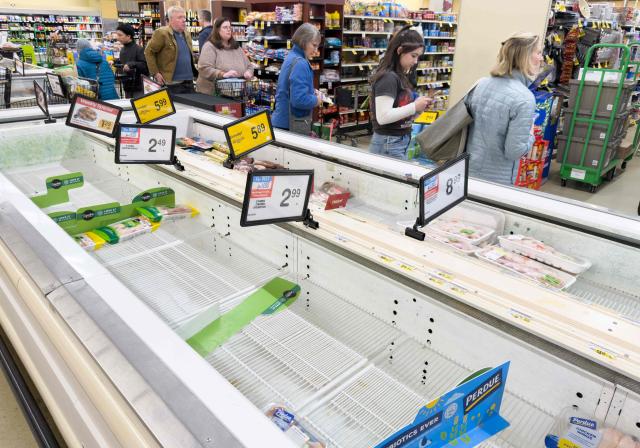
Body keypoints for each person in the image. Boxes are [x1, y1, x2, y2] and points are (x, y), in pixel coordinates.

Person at [466, 33, 543, 185]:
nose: (541, 58)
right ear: (525, 57)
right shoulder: (524, 98)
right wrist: (531, 135)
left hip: (468, 168)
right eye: (539, 53)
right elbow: (514, 151)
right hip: (496, 179)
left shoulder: (480, 84)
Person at [368, 27, 431, 159]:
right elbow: (383, 117)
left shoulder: (400, 75)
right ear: (400, 51)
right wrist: (414, 106)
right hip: (388, 143)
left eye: (418, 57)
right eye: (413, 56)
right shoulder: (388, 78)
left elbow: (401, 117)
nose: (415, 61)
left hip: (397, 141)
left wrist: (418, 109)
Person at [272, 23, 322, 134]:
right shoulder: (301, 63)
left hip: (281, 121)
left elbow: (290, 90)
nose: (316, 50)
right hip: (290, 125)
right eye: (314, 45)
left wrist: (310, 91)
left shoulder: (292, 57)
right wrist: (316, 100)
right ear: (304, 41)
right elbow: (299, 100)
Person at [144, 6, 197, 94]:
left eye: (184, 17)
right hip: (172, 83)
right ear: (171, 20)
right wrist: (155, 73)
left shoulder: (186, 34)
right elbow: (148, 52)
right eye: (180, 17)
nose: (184, 20)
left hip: (189, 81)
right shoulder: (162, 33)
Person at [196, 17, 253, 95]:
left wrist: (248, 72)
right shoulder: (210, 46)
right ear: (217, 30)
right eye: (225, 27)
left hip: (236, 93)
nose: (229, 30)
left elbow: (249, 66)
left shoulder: (236, 47)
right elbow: (204, 68)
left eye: (230, 27)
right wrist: (222, 74)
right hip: (213, 95)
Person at [115, 23, 148, 98]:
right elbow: (124, 63)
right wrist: (116, 63)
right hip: (127, 86)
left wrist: (131, 65)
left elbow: (145, 66)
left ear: (128, 36)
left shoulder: (139, 49)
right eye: (117, 35)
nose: (117, 37)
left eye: (120, 35)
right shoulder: (122, 50)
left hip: (139, 87)